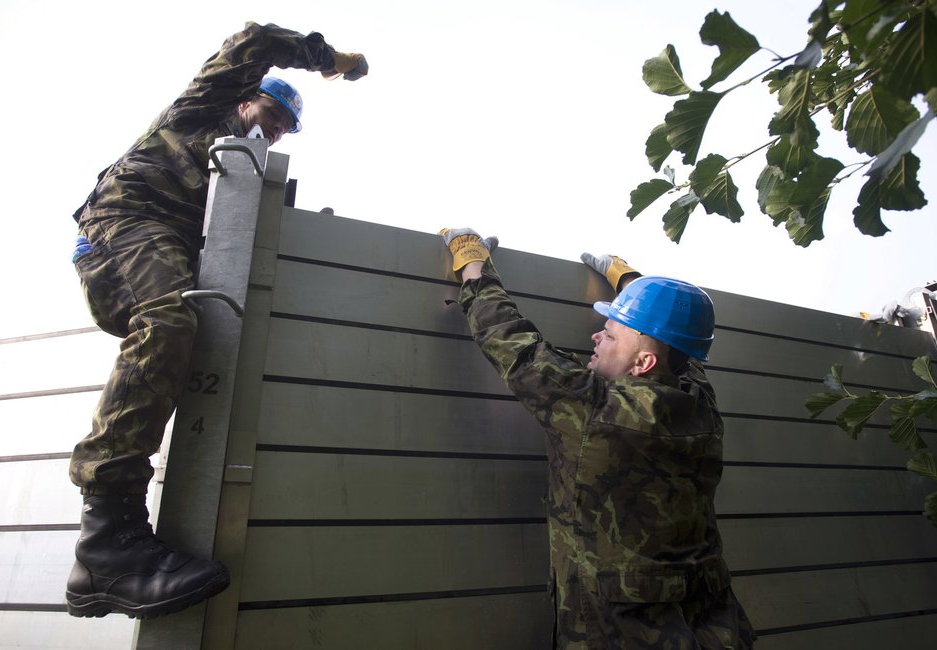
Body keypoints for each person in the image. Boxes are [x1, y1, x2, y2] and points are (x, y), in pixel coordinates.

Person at [66, 22, 367, 620]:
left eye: (285, 128)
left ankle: (122, 540)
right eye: (270, 112)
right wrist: (327, 59)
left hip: (172, 250)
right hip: (128, 220)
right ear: (244, 98)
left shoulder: (240, 175)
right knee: (170, 320)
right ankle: (104, 544)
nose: (274, 129)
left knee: (189, 331)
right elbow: (253, 39)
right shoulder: (200, 114)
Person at [439, 229, 755, 649]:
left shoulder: (595, 410)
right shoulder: (703, 409)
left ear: (643, 362)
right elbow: (685, 354)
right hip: (717, 631)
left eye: (609, 334)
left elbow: (512, 342)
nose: (595, 337)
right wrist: (633, 286)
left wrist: (472, 264)